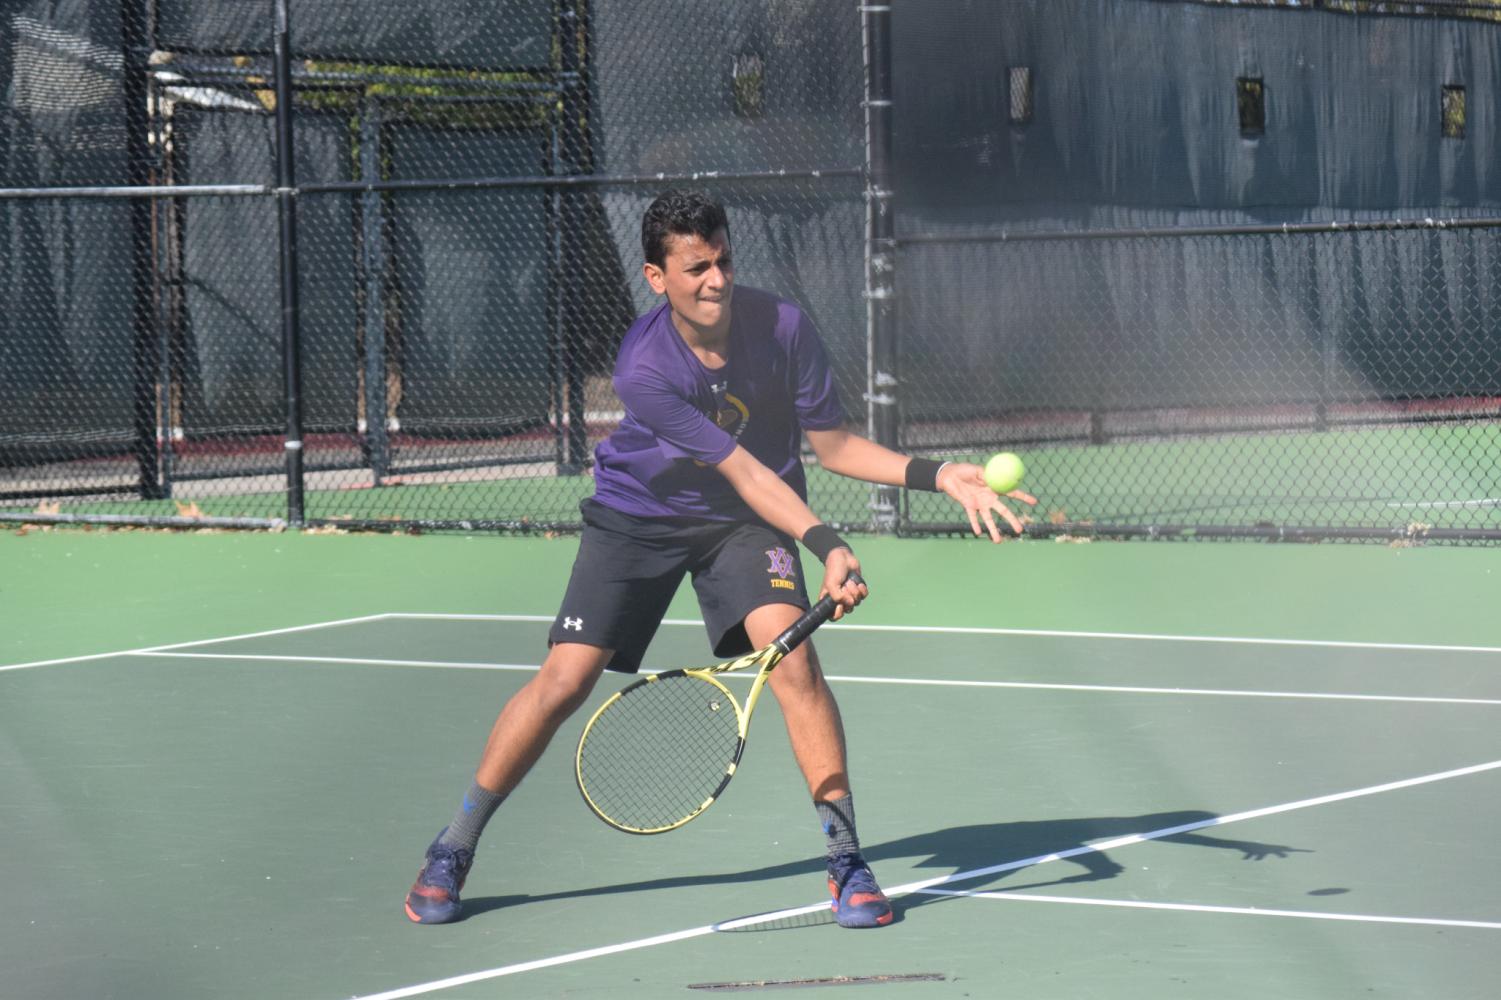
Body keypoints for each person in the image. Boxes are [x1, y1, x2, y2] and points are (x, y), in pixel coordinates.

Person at [403, 189, 1035, 928]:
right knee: (564, 680)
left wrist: (936, 474)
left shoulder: (783, 328)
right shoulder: (646, 368)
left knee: (793, 662)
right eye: (696, 267)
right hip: (639, 517)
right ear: (656, 277)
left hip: (744, 527)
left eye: (724, 261)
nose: (716, 280)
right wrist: (828, 544)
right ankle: (455, 845)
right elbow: (745, 470)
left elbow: (831, 448)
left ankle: (845, 862)